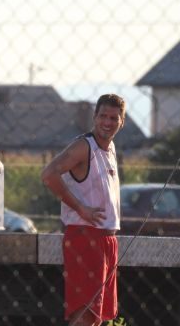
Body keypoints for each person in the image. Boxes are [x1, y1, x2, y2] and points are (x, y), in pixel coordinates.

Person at [41, 94, 126, 326]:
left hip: (107, 239)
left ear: (122, 122)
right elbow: (48, 175)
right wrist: (80, 208)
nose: (107, 122)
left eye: (113, 118)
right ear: (94, 117)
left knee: (97, 318)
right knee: (84, 316)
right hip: (85, 235)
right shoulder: (84, 146)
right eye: (103, 116)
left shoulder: (110, 148)